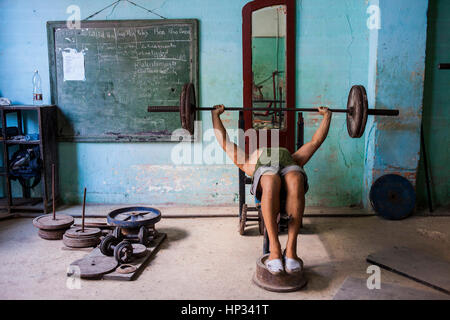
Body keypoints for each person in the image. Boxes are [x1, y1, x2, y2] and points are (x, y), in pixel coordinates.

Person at [211, 105, 332, 275]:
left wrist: (327, 116)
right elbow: (225, 142)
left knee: (296, 179)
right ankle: (275, 250)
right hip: (266, 172)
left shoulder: (294, 159)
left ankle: (291, 250)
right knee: (270, 179)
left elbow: (315, 142)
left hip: (289, 166)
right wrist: (215, 115)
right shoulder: (248, 163)